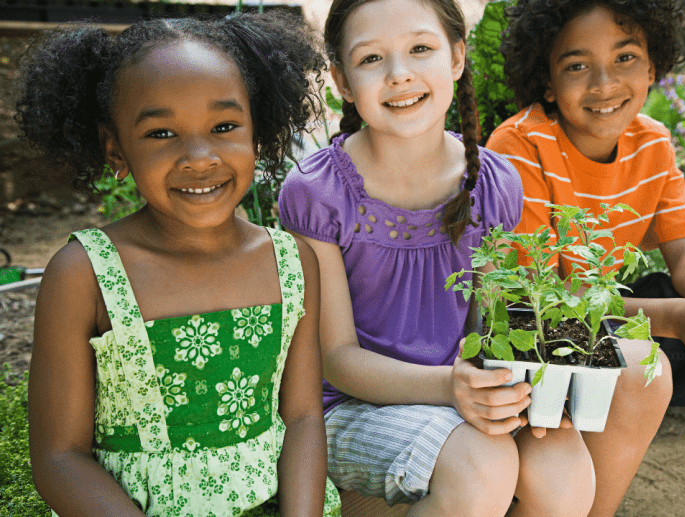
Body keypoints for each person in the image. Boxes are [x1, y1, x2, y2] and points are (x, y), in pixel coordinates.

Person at [277, 0, 600, 515]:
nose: (400, 75)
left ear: (455, 58)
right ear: (341, 80)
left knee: (563, 467)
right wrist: (452, 387)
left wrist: (534, 381)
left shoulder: (491, 183)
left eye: (420, 49)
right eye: (371, 59)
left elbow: (494, 324)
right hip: (350, 410)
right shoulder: (319, 193)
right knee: (483, 462)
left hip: (460, 392)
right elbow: (336, 359)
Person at [18, 12, 341, 517]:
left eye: (225, 126)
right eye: (161, 133)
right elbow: (59, 457)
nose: (199, 156)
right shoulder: (84, 273)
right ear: (114, 146)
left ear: (259, 126)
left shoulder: (291, 262)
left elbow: (301, 417)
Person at [486, 0, 685, 515]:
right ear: (547, 81)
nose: (603, 83)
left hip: (615, 313)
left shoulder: (653, 143)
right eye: (576, 65)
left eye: (625, 58)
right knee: (643, 367)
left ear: (652, 67)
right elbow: (540, 301)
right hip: (536, 335)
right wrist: (678, 319)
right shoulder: (519, 145)